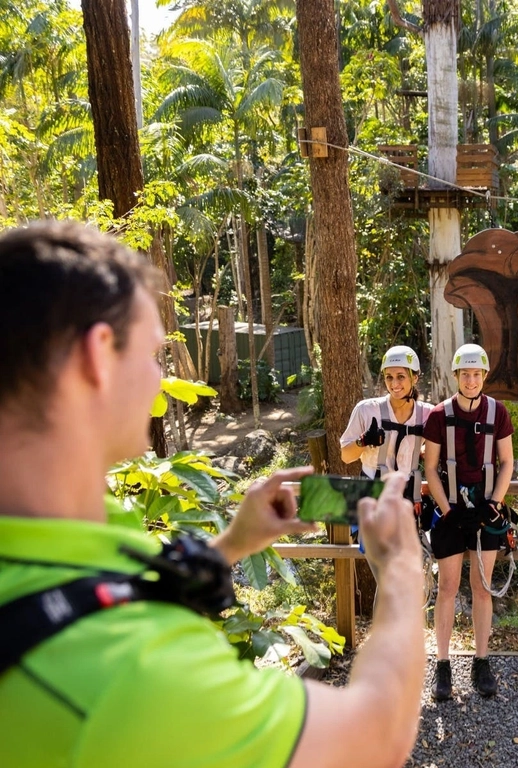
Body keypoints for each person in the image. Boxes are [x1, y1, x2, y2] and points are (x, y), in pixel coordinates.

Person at [0, 221, 426, 768]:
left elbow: (98, 590)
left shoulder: (72, 521)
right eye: (155, 355)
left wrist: (231, 545)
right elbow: (376, 738)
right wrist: (404, 569)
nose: (161, 378)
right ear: (97, 356)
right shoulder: (133, 670)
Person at [422, 343, 514, 701]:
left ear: (484, 376)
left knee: (482, 586)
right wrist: (447, 510)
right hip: (449, 510)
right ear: (456, 376)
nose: (471, 380)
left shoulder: (498, 413)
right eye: (466, 374)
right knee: (447, 587)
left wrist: (494, 503)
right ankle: (442, 665)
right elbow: (429, 467)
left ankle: (481, 661)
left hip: (485, 509)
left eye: (477, 374)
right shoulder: (438, 415)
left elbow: (506, 461)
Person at [340, 344, 433, 508]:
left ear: (415, 378)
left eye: (401, 376)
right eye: (389, 377)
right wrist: (364, 440)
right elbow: (346, 457)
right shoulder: (366, 410)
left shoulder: (427, 415)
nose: (394, 383)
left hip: (407, 495)